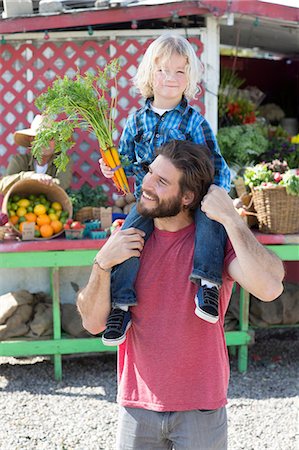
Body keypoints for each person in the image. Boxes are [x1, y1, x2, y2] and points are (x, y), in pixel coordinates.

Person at [78, 140, 284, 450]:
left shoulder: (215, 245)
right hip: (137, 405)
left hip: (200, 405)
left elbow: (270, 286)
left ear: (187, 196)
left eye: (161, 182)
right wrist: (102, 263)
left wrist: (230, 218)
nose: (146, 184)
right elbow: (93, 323)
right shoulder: (125, 238)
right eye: (149, 173)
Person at [99, 32, 231, 345]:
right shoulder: (136, 121)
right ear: (148, 74)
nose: (170, 78)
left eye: (179, 71)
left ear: (190, 78)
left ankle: (208, 286)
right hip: (151, 198)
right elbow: (125, 160)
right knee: (127, 236)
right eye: (162, 70)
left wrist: (217, 194)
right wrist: (112, 169)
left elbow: (216, 163)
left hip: (189, 196)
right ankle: (120, 306)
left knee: (212, 222)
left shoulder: (194, 122)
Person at [0, 114, 72, 194]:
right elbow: (3, 185)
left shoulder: (63, 161)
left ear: (56, 141)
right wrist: (30, 176)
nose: (45, 143)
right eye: (39, 138)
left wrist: (38, 181)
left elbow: (62, 185)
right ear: (32, 141)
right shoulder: (19, 160)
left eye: (50, 138)